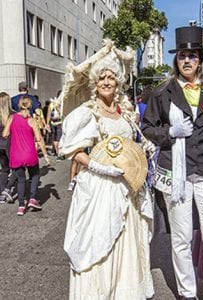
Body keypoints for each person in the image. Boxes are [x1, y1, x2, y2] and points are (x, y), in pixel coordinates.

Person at [59, 40, 154, 299]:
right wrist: (100, 166)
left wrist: (145, 148)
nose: (107, 82)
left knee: (126, 238)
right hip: (100, 186)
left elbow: (133, 142)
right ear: (95, 83)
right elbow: (73, 151)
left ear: (119, 81)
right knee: (100, 241)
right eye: (102, 78)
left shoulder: (125, 112)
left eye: (111, 77)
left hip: (127, 185)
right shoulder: (88, 112)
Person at [142, 26, 203, 300]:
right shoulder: (162, 92)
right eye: (183, 56)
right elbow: (147, 128)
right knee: (181, 239)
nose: (188, 61)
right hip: (176, 175)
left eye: (193, 55)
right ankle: (188, 292)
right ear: (176, 60)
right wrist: (169, 132)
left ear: (200, 60)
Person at [3, 95, 42, 216]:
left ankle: (21, 206)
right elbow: (39, 138)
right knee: (35, 174)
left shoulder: (12, 118)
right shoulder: (32, 120)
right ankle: (32, 198)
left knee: (20, 180)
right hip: (29, 152)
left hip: (16, 153)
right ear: (30, 106)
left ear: (19, 105)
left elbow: (5, 134)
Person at [0, 92, 17, 203]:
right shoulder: (13, 114)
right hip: (10, 144)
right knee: (17, 169)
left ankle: (2, 194)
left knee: (4, 170)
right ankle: (8, 189)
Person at [46, 92, 63, 159]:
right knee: (59, 138)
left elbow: (48, 114)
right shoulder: (61, 103)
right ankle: (59, 153)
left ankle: (57, 152)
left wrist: (47, 124)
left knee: (55, 138)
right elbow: (62, 113)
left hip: (53, 123)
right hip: (60, 122)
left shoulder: (51, 103)